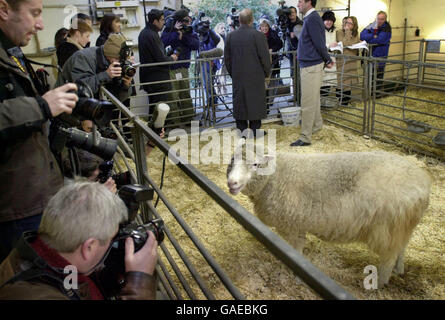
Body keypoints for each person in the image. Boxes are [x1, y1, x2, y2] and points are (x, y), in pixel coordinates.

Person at [0, 0, 78, 263]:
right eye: (34, 14)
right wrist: (42, 106)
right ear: (3, 9)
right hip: (15, 207)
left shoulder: (11, 51)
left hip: (34, 191)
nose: (41, 24)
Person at [0, 181, 158, 300]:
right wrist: (139, 282)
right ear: (88, 247)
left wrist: (109, 276)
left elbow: (71, 282)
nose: (113, 243)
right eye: (112, 239)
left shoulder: (36, 252)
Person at [290, 0, 334, 147]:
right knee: (313, 99)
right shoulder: (310, 18)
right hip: (310, 64)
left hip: (311, 65)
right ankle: (316, 126)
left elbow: (319, 43)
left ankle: (305, 137)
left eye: (300, 1)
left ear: (309, 2)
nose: (298, 4)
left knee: (307, 103)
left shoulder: (313, 18)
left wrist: (327, 59)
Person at [224, 9, 271, 137]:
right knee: (255, 101)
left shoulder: (230, 36)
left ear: (239, 20)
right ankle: (256, 130)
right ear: (252, 20)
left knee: (240, 102)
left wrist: (233, 73)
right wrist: (266, 73)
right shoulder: (259, 36)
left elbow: (227, 60)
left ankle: (242, 131)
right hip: (256, 76)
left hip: (238, 76)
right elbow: (265, 58)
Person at [58, 33, 133, 103]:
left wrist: (125, 85)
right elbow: (80, 90)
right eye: (118, 59)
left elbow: (117, 99)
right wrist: (106, 75)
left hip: (89, 107)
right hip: (66, 105)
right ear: (109, 55)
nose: (120, 63)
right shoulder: (83, 58)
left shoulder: (109, 62)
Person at [139, 9, 179, 118]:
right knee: (159, 109)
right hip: (157, 79)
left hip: (152, 78)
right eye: (161, 20)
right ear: (155, 21)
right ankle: (157, 132)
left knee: (156, 108)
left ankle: (156, 131)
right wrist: (172, 58)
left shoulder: (147, 33)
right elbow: (160, 58)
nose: (164, 22)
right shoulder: (151, 35)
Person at [161, 9, 199, 124]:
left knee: (185, 93)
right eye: (183, 21)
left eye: (187, 20)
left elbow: (195, 45)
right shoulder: (169, 30)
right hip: (172, 68)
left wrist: (184, 35)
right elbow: (162, 42)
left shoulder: (189, 31)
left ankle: (188, 118)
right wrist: (176, 33)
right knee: (173, 96)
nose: (186, 23)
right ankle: (175, 121)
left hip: (183, 67)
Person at [360, 11, 392, 85]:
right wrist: (373, 35)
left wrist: (369, 38)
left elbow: (380, 40)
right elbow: (362, 35)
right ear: (376, 18)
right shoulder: (372, 24)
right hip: (370, 56)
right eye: (378, 19)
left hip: (380, 57)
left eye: (382, 19)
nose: (379, 21)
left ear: (385, 19)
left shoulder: (387, 28)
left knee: (378, 79)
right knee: (368, 78)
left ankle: (377, 96)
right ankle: (368, 96)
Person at [259, 18, 283, 111]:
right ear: (260, 27)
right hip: (261, 62)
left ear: (268, 26)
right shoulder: (257, 35)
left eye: (266, 26)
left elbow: (280, 44)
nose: (264, 28)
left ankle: (270, 100)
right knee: (263, 82)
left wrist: (272, 50)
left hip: (273, 60)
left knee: (272, 80)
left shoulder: (273, 34)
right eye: (263, 26)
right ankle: (264, 101)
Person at [336, 16, 360, 107]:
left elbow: (356, 43)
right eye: (347, 23)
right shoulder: (340, 32)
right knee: (342, 82)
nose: (348, 25)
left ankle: (346, 102)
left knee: (349, 83)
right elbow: (345, 43)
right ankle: (341, 102)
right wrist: (347, 31)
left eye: (350, 23)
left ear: (354, 25)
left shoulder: (356, 34)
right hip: (343, 61)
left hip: (352, 61)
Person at [320, 11, 337, 102]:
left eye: (331, 20)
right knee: (322, 83)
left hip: (333, 60)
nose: (329, 22)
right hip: (322, 60)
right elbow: (318, 44)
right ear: (323, 21)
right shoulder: (319, 30)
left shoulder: (335, 31)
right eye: (327, 20)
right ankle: (321, 103)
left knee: (330, 82)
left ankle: (325, 102)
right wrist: (329, 45)